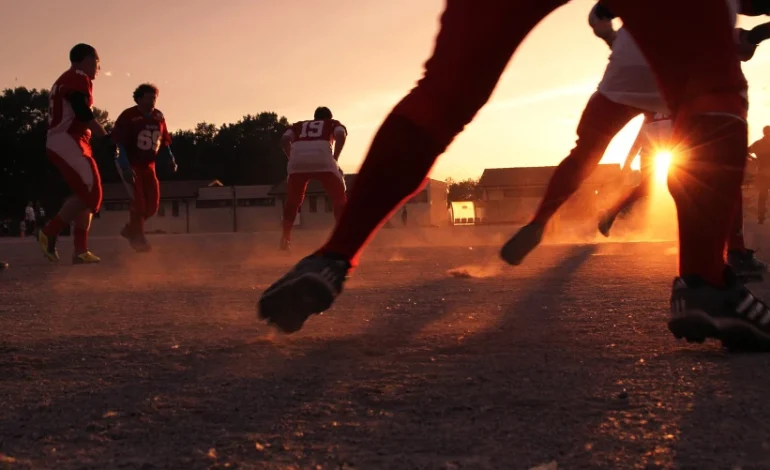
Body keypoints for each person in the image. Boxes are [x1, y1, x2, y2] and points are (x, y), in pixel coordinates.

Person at [259, 0, 770, 349]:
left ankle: (332, 256)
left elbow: (598, 14)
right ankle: (706, 279)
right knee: (715, 100)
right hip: (662, 64)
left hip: (621, 68)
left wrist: (611, 34)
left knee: (443, 94)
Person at [38, 43, 107, 264]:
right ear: (87, 59)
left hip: (72, 139)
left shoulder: (68, 79)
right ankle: (49, 232)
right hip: (67, 138)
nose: (99, 67)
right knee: (91, 190)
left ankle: (80, 250)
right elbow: (81, 110)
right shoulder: (78, 76)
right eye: (97, 62)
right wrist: (104, 136)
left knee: (86, 194)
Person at [112, 83, 177, 252]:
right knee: (139, 203)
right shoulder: (128, 116)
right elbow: (119, 144)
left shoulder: (158, 116)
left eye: (154, 98)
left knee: (153, 205)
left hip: (149, 165)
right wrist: (125, 166)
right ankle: (138, 238)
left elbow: (164, 141)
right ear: (138, 99)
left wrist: (170, 158)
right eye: (148, 98)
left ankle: (131, 229)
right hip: (131, 163)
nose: (152, 101)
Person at [279, 107, 347, 251]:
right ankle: (342, 237)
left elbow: (284, 139)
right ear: (329, 117)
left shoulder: (298, 126)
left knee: (293, 201)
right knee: (339, 198)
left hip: (297, 162)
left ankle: (285, 237)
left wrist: (292, 158)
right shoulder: (332, 123)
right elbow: (341, 134)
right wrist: (335, 158)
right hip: (324, 160)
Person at [749, 126, 770, 223]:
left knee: (762, 195)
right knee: (763, 195)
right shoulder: (758, 144)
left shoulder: (758, 143)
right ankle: (761, 217)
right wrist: (754, 159)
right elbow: (747, 151)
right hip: (763, 174)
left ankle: (761, 216)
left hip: (763, 173)